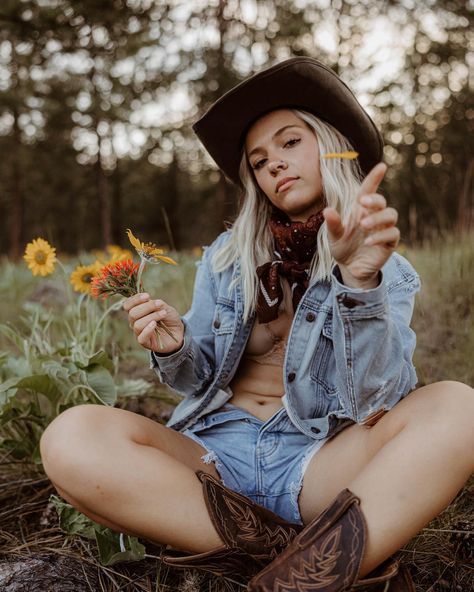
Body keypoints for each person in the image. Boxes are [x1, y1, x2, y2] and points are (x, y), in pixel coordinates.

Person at [40, 58, 474, 591]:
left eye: (290, 143)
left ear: (333, 146)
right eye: (260, 159)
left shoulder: (385, 268)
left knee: (459, 406)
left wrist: (359, 284)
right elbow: (197, 380)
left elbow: (377, 400)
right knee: (70, 437)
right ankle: (292, 553)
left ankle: (298, 579)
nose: (274, 165)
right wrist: (177, 346)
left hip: (316, 463)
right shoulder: (227, 257)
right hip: (212, 463)